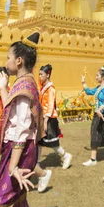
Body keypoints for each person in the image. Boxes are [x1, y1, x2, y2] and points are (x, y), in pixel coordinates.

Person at [0, 32, 42, 207]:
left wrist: (13, 166)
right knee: (13, 203)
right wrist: (2, 87)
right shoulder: (23, 82)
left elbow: (22, 128)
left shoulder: (25, 85)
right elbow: (12, 108)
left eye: (8, 57)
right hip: (17, 149)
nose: (5, 61)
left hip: (20, 150)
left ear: (18, 61)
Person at [34, 64, 72, 192]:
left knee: (52, 143)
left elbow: (50, 106)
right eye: (39, 74)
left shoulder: (51, 89)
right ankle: (37, 162)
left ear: (48, 75)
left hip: (49, 119)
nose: (39, 77)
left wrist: (45, 120)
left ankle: (66, 155)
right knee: (39, 142)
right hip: (42, 118)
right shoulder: (43, 87)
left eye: (41, 74)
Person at [82, 66, 104, 166]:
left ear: (103, 77)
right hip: (97, 114)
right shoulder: (98, 88)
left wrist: (101, 110)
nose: (96, 77)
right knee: (94, 132)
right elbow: (89, 92)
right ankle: (93, 159)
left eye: (97, 75)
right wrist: (83, 82)